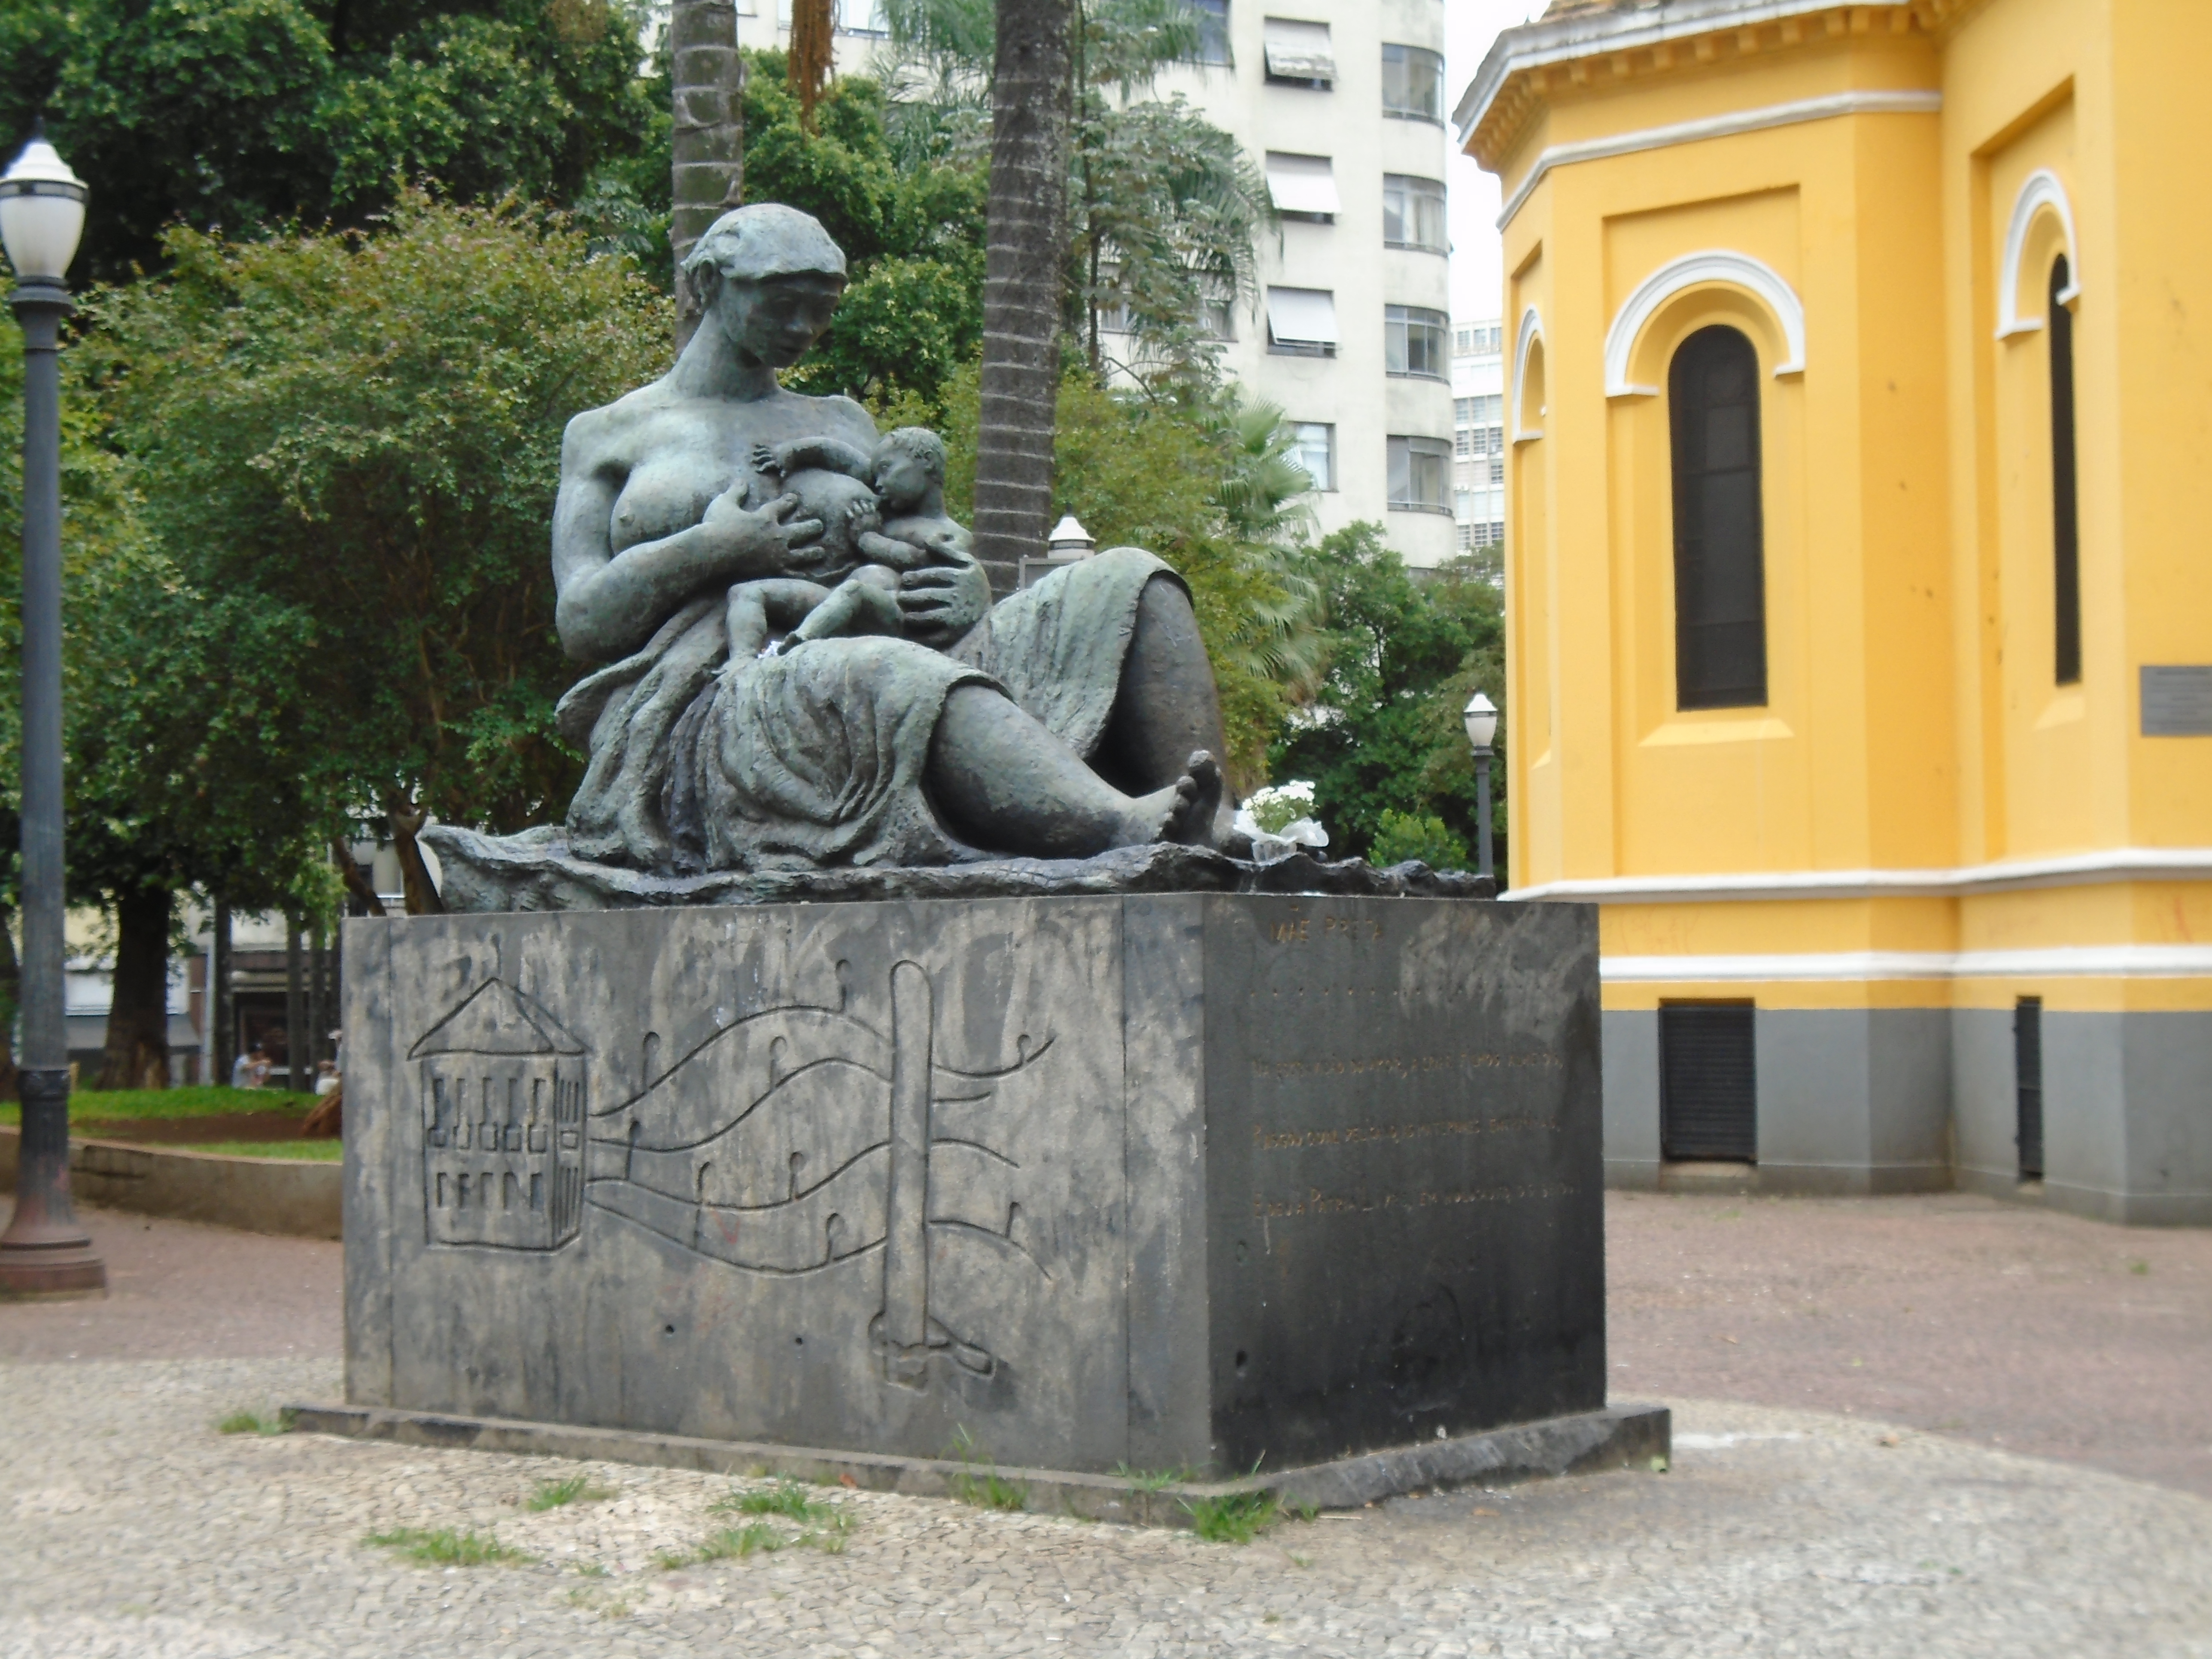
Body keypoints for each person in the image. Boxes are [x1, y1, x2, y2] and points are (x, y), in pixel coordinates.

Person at [549, 202, 1239, 875]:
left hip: (890, 644)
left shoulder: (843, 421)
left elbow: (911, 535)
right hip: (736, 681)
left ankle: (1225, 820)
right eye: (783, 301)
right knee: (884, 669)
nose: (805, 326)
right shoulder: (609, 434)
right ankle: (1123, 825)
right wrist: (714, 549)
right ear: (707, 285)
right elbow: (581, 621)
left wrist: (965, 583)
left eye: (821, 308)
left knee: (1130, 580)